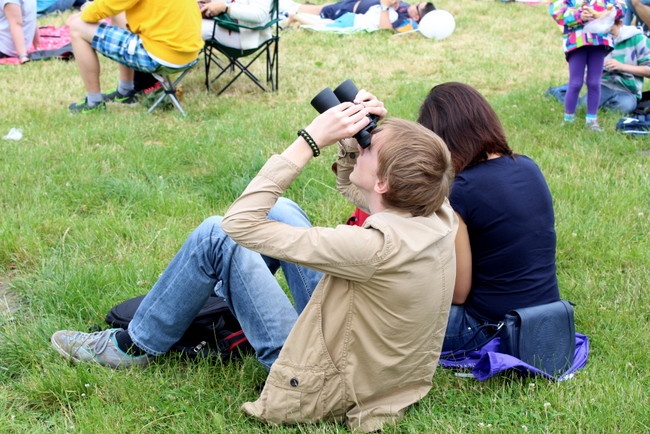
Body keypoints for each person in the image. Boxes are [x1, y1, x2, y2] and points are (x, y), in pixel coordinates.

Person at [51, 90, 458, 432]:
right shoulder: (436, 213)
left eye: (371, 150)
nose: (364, 146)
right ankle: (220, 295)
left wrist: (308, 142)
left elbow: (239, 223)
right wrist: (360, 139)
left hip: (322, 381)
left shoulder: (369, 248)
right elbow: (368, 189)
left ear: (385, 181)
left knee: (216, 234)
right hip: (369, 364)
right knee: (284, 212)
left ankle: (134, 345)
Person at [414, 82, 562, 353]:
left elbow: (459, 293)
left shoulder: (461, 191)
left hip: (490, 327)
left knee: (389, 315)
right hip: (548, 319)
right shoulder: (528, 166)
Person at [65, 0, 203, 113]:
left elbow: (107, 5)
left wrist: (85, 13)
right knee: (118, 13)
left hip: (160, 57)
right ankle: (125, 91)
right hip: (189, 55)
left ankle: (93, 103)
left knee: (77, 27)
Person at [549, 0, 626, 132]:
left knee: (594, 82)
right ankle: (568, 119)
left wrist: (606, 13)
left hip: (599, 42)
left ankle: (591, 119)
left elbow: (621, 9)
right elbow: (557, 12)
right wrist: (579, 16)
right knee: (575, 82)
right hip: (577, 42)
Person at [546, 19, 650, 115]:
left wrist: (622, 67)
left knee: (624, 107)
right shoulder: (596, 37)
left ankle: (574, 95)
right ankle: (560, 92)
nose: (606, 36)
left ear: (619, 24)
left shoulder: (637, 39)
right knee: (584, 107)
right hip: (602, 86)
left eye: (609, 31)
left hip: (627, 91)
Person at [280, 0, 435, 30]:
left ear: (416, 17)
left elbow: (385, 29)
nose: (412, 4)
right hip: (354, 5)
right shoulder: (404, 7)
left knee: (321, 12)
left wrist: (385, 6)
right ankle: (288, 9)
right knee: (323, 9)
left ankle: (286, 9)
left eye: (416, 6)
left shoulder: (406, 22)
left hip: (351, 13)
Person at [199, 0, 273, 48]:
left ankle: (188, 59)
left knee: (191, 26)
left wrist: (226, 7)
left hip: (246, 34)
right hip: (228, 22)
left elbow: (259, 14)